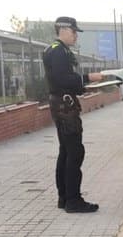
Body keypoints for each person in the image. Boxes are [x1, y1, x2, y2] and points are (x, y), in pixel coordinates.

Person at [43, 16, 103, 213]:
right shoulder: (59, 51)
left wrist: (82, 84)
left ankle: (64, 197)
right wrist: (88, 78)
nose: (76, 35)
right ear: (63, 30)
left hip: (60, 104)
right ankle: (73, 200)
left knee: (66, 151)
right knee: (75, 152)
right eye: (74, 31)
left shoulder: (53, 49)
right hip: (65, 107)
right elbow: (64, 79)